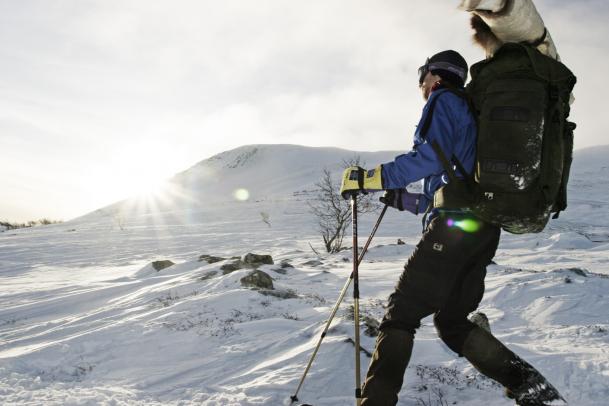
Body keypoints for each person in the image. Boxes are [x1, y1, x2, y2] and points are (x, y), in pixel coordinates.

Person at [339, 50, 566, 406]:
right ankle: (533, 389)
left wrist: (371, 178)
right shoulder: (473, 115)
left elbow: (429, 155)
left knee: (401, 315)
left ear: (434, 76)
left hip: (455, 227)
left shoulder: (443, 99)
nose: (422, 84)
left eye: (422, 76)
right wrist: (407, 201)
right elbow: (454, 180)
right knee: (452, 322)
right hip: (483, 227)